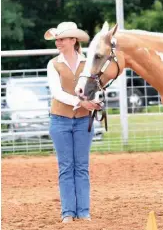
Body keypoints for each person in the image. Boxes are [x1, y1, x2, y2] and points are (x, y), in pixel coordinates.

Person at [44, 21, 101, 223]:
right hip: (60, 120)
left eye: (61, 39)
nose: (58, 42)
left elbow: (95, 88)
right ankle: (68, 212)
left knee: (82, 166)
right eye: (57, 40)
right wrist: (81, 103)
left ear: (73, 40)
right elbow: (57, 93)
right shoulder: (54, 64)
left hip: (83, 122)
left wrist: (94, 101)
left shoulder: (88, 63)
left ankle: (83, 211)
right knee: (67, 167)